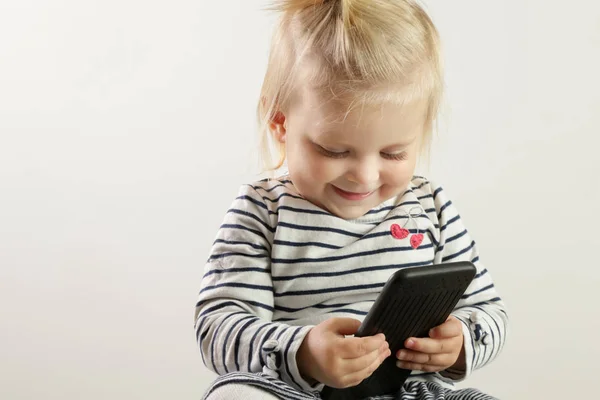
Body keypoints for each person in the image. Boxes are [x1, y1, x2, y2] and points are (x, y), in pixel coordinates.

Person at [194, 0, 508, 398]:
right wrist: (304, 352)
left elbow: (490, 312)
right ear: (280, 123)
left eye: (393, 153)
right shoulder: (262, 213)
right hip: (298, 392)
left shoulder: (432, 208)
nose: (365, 175)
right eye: (333, 150)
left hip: (411, 391)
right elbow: (218, 328)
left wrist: (460, 342)